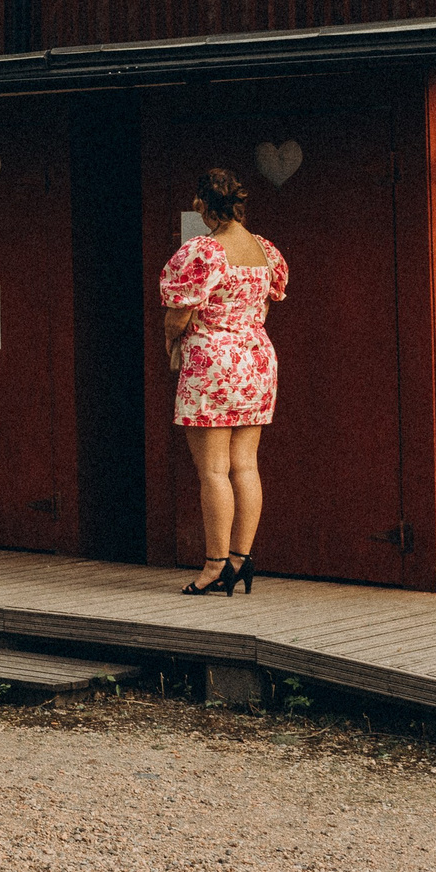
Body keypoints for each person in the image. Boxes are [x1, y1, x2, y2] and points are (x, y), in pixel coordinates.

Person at [160, 166, 288, 596]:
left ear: (201, 205)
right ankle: (241, 559)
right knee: (245, 465)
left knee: (213, 470)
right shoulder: (265, 250)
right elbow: (269, 300)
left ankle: (215, 565)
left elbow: (179, 312)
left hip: (213, 362)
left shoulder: (204, 251)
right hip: (256, 359)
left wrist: (170, 341)